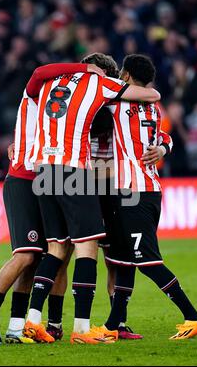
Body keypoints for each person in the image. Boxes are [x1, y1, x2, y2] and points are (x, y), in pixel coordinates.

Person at [24, 53, 161, 344]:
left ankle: (37, 320)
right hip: (79, 173)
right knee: (90, 250)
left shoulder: (51, 82)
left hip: (44, 170)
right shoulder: (103, 88)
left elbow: (36, 77)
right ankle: (83, 330)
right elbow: (151, 95)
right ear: (104, 73)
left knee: (57, 249)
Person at [0, 61, 104, 345]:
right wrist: (84, 70)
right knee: (26, 254)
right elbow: (38, 73)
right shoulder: (36, 92)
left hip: (45, 177)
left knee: (49, 255)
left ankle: (18, 326)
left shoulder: (58, 104)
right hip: (22, 177)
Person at [100, 54, 197, 340]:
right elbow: (165, 137)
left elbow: (95, 88)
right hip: (143, 190)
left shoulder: (117, 103)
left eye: (122, 72)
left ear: (126, 75)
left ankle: (193, 317)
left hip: (136, 192)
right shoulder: (153, 107)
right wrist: (163, 149)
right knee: (123, 260)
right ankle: (113, 325)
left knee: (146, 260)